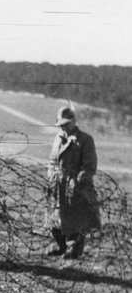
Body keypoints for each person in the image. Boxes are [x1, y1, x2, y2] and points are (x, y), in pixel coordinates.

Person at [45, 106, 101, 259]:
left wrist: (78, 181)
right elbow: (52, 161)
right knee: (55, 217)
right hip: (57, 184)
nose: (63, 127)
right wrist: (51, 175)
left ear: (74, 122)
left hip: (76, 186)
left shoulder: (85, 140)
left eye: (66, 124)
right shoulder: (58, 138)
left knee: (77, 219)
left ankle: (75, 248)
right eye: (61, 125)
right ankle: (60, 245)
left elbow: (89, 166)